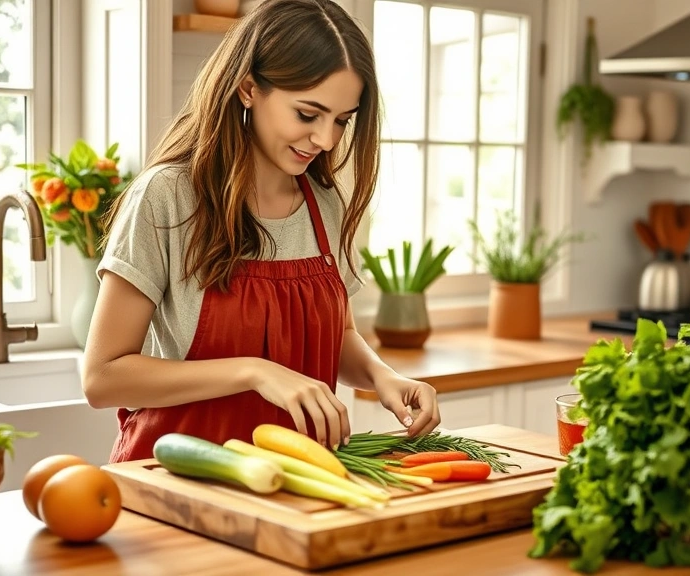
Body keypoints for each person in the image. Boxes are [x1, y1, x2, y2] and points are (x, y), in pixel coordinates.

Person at [81, 0, 441, 463]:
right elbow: (103, 378)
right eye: (308, 115)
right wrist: (254, 372)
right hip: (172, 481)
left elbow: (338, 335)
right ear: (249, 88)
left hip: (293, 482)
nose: (326, 140)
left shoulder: (324, 204)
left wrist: (382, 376)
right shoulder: (167, 196)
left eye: (341, 120)